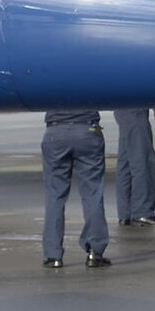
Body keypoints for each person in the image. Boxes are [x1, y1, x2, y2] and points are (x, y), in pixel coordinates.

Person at [41, 110, 111, 267]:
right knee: (92, 193)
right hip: (87, 128)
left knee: (54, 195)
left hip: (56, 130)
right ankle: (95, 251)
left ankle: (53, 255)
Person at [114, 107, 155, 226]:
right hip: (135, 108)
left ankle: (126, 213)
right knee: (143, 160)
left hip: (124, 108)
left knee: (127, 163)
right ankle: (142, 212)